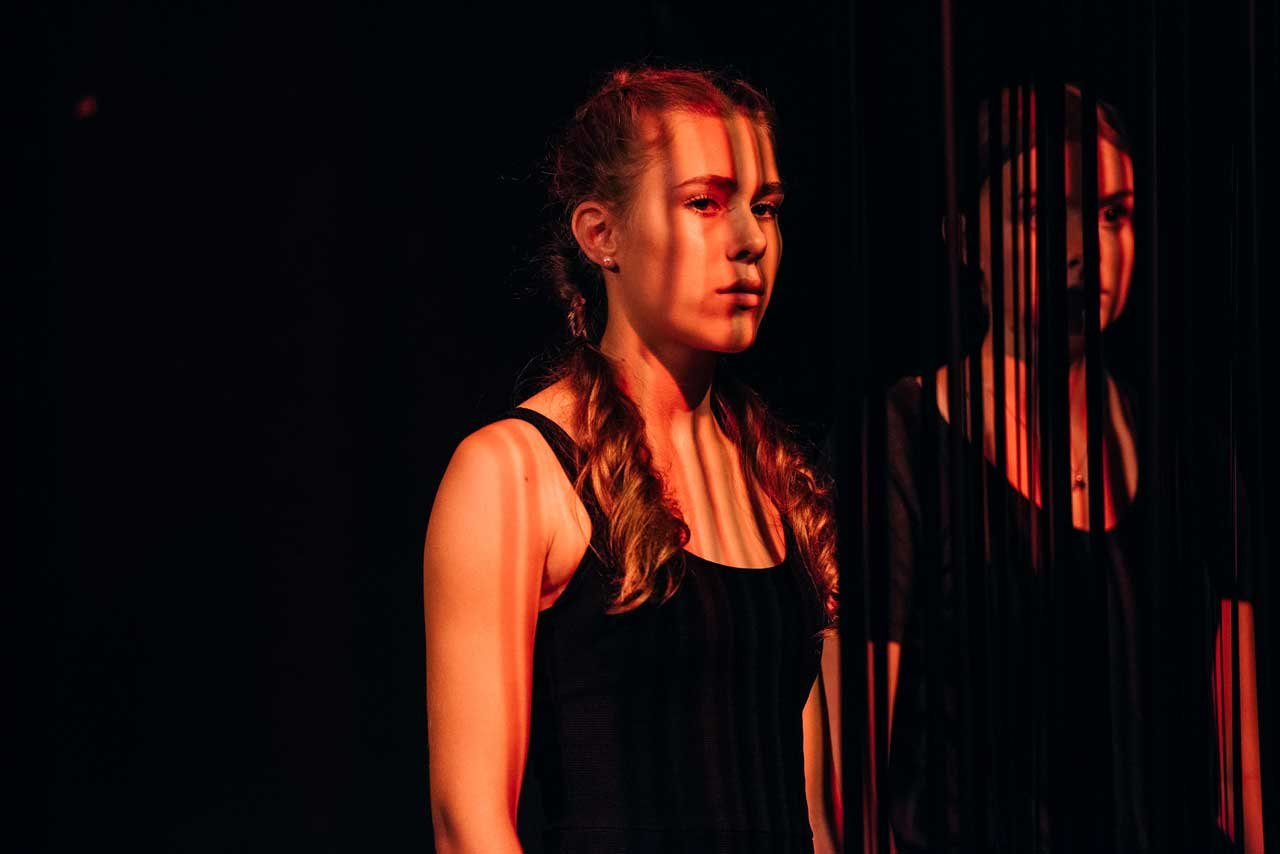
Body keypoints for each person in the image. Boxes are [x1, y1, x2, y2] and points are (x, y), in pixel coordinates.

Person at [424, 67, 842, 854]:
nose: (750, 240)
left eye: (766, 207)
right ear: (601, 234)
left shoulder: (777, 479)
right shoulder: (516, 471)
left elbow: (816, 817)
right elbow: (468, 823)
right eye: (705, 203)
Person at [869, 85, 1263, 852]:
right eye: (1041, 214)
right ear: (964, 237)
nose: (1087, 246)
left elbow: (1236, 772)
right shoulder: (902, 440)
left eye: (1114, 214)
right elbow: (857, 773)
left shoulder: (1190, 451)